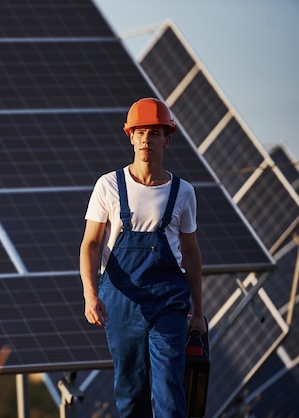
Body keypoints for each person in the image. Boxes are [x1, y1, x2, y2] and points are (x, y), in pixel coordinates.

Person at [79, 98, 206, 418]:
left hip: (168, 301)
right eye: (140, 133)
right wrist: (90, 294)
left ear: (167, 138)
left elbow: (190, 253)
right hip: (122, 302)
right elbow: (90, 245)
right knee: (131, 393)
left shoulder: (184, 192)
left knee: (169, 391)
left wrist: (198, 311)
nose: (146, 140)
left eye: (154, 133)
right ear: (130, 136)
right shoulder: (108, 186)